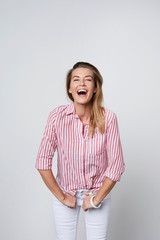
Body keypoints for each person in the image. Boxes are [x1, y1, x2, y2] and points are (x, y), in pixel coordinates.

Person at [35, 62, 125, 240]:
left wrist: (95, 199)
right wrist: (62, 197)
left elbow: (116, 166)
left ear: (95, 89)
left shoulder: (108, 118)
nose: (81, 84)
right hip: (66, 191)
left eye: (88, 80)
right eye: (76, 79)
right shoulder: (57, 117)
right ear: (70, 89)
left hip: (98, 193)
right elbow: (42, 162)